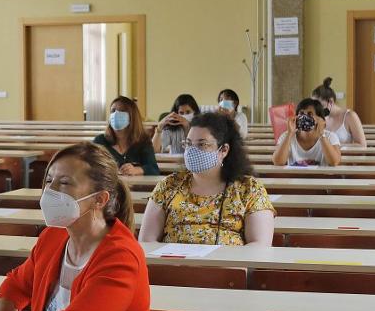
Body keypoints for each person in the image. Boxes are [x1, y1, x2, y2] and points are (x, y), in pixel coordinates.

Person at [0, 142, 150, 311]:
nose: (50, 190)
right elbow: (17, 283)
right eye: (48, 180)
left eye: (64, 183)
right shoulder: (53, 237)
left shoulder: (121, 256)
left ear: (99, 199)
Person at [139, 112, 275, 246]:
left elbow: (260, 245)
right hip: (172, 266)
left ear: (224, 150)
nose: (192, 151)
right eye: (188, 144)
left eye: (202, 144)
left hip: (228, 266)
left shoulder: (249, 189)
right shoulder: (168, 186)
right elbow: (146, 241)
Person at [92, 96, 159, 176]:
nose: (116, 114)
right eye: (113, 111)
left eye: (121, 111)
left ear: (132, 116)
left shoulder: (143, 141)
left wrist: (137, 170)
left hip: (137, 187)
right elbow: (90, 167)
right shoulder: (100, 141)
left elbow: (154, 169)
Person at [272, 98, 342, 166]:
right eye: (301, 113)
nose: (304, 117)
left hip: (320, 177)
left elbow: (334, 162)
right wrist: (290, 134)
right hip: (294, 177)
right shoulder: (286, 136)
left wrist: (321, 134)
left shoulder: (330, 137)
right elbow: (278, 162)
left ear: (320, 118)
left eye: (310, 114)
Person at [311, 77, 366, 146]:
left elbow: (362, 145)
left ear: (330, 102)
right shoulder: (318, 118)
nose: (316, 110)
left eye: (320, 106)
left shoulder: (350, 116)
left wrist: (333, 146)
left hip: (345, 156)